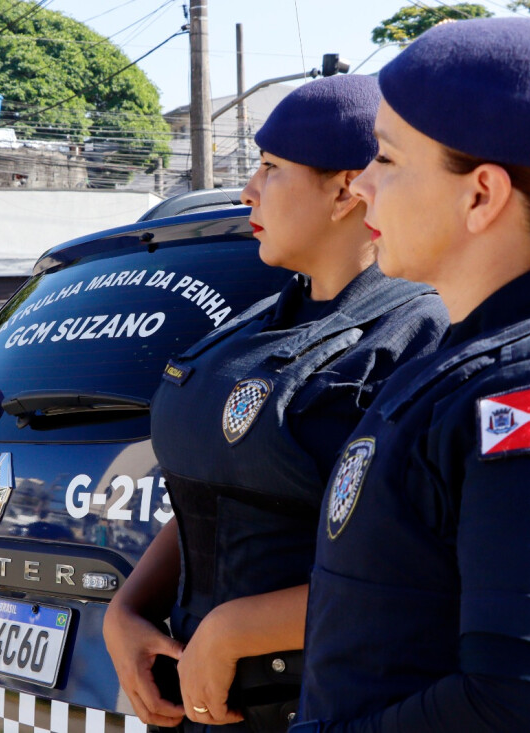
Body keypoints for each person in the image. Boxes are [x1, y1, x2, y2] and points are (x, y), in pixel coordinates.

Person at [295, 18, 530, 732]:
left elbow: (520, 706)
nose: (362, 186)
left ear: (481, 195)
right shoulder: (464, 360)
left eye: (385, 159)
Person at [102, 75, 449, 732]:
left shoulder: (419, 334)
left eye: (271, 167)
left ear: (348, 189)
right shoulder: (258, 323)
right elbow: (220, 492)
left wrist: (236, 629)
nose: (248, 189)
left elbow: (426, 574)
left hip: (328, 703)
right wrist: (128, 609)